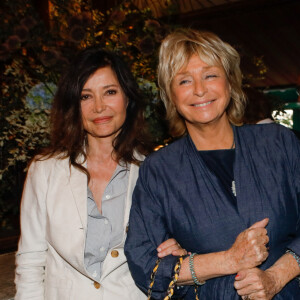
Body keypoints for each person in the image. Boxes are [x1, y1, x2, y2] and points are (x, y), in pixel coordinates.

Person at [125, 29, 300, 299]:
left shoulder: (279, 144)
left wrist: (276, 277)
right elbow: (146, 266)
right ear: (170, 95)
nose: (199, 90)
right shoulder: (159, 171)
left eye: (210, 75)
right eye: (184, 81)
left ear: (230, 82)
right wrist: (228, 260)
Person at [14, 47, 186, 300]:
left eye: (110, 92)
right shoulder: (45, 169)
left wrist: (179, 247)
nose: (99, 107)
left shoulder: (154, 169)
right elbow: (31, 258)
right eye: (85, 96)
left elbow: (175, 243)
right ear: (73, 104)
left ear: (127, 97)